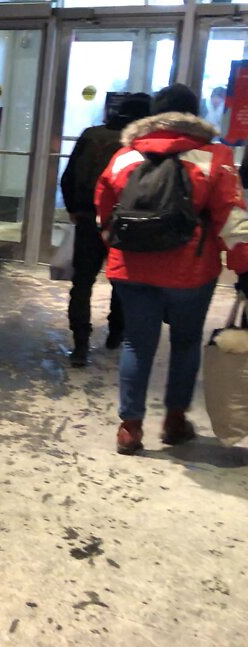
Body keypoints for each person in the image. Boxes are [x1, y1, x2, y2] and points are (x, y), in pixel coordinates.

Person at [95, 83, 248, 454]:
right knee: (185, 342)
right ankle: (174, 421)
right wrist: (243, 266)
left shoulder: (126, 155)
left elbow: (104, 203)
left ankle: (130, 428)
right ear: (194, 115)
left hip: (132, 266)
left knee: (136, 341)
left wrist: (111, 241)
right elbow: (232, 217)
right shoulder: (215, 156)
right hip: (190, 270)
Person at [59, 92, 151, 366]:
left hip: (88, 218)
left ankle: (80, 345)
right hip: (127, 222)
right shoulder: (142, 145)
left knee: (82, 282)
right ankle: (115, 332)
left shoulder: (91, 134)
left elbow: (69, 176)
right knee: (122, 280)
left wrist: (74, 208)